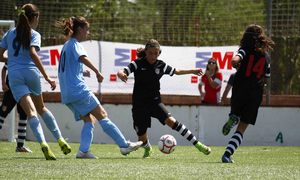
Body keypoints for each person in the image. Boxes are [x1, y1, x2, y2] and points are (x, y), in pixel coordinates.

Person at [56, 16, 143, 159]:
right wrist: (97, 72)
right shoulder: (76, 44)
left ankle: (83, 151)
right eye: (86, 30)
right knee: (102, 114)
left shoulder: (66, 45)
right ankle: (124, 145)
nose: (87, 33)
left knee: (89, 120)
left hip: (67, 93)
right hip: (78, 90)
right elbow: (83, 58)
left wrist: (82, 71)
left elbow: (67, 69)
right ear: (79, 29)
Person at [117, 39, 211, 158]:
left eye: (156, 53)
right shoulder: (138, 63)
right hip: (139, 104)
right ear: (146, 52)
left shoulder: (161, 65)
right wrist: (121, 74)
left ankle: (198, 144)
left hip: (155, 101)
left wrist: (193, 71)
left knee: (171, 121)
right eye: (150, 53)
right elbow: (123, 70)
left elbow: (176, 71)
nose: (153, 56)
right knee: (141, 137)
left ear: (159, 53)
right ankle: (148, 148)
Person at [0, 3, 71, 160]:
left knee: (31, 113)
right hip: (31, 73)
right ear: (35, 17)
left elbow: (0, 55)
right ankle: (59, 139)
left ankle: (44, 144)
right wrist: (47, 77)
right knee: (42, 108)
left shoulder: (10, 33)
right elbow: (33, 53)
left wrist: (10, 59)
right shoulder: (34, 34)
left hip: (15, 76)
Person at [221, 24, 274, 163]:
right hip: (255, 94)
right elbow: (267, 78)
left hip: (240, 88)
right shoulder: (266, 56)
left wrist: (236, 64)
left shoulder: (244, 50)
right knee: (242, 128)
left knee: (236, 114)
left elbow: (234, 60)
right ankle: (227, 154)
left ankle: (233, 116)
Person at [0, 64, 32, 152]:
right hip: (11, 89)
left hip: (23, 89)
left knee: (23, 115)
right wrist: (3, 83)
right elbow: (4, 69)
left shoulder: (27, 58)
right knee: (2, 113)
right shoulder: (14, 56)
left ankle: (20, 146)